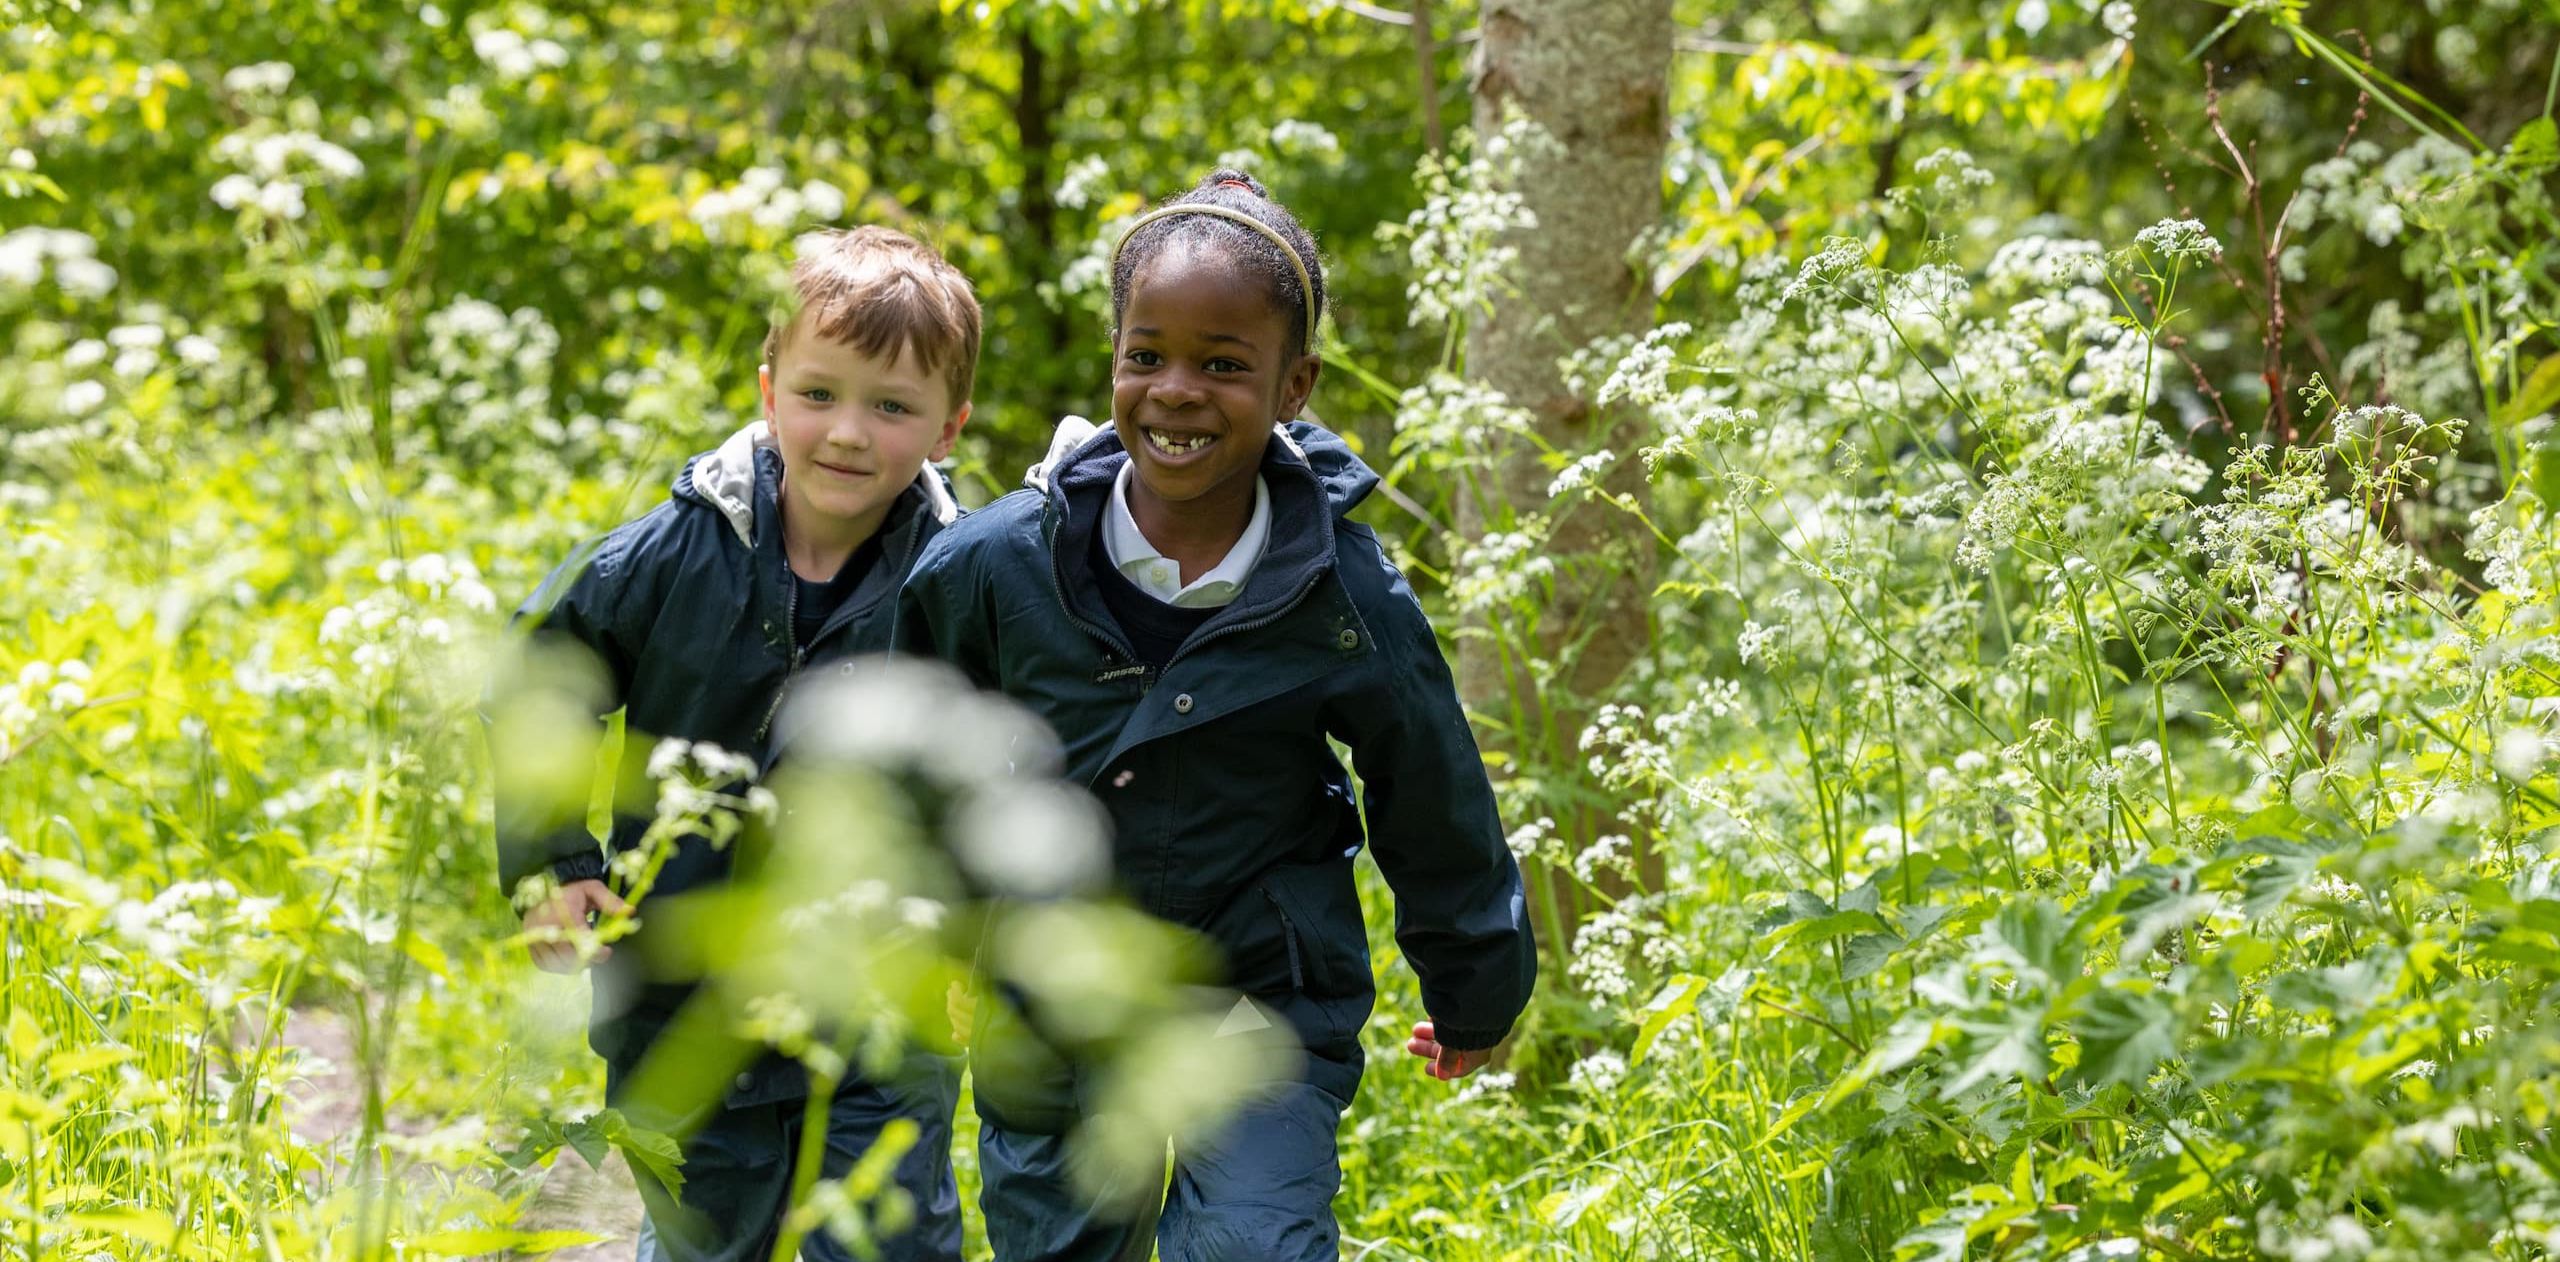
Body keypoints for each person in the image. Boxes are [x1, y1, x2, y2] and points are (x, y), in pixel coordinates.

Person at [893, 170, 1537, 1261]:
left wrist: (1475, 986)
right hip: (1051, 1002)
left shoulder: (1344, 590)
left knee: (1254, 1244)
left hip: (1259, 999)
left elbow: (1427, 781)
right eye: (1146, 356)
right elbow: (909, 751)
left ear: (1296, 387)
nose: (1175, 389)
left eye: (1223, 364)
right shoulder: (996, 561)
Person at [490, 225, 979, 1262]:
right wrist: (553, 862)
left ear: (948, 427)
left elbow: (1005, 771)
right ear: (767, 391)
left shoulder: (965, 575)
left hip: (881, 985)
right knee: (707, 1234)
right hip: (681, 986)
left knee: (887, 1237)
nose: (848, 432)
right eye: (819, 393)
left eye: (891, 407)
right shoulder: (675, 550)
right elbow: (541, 676)